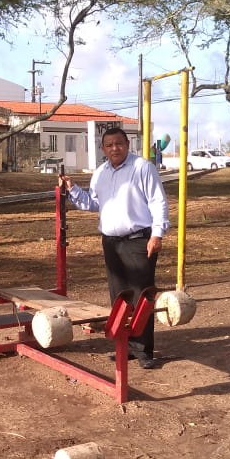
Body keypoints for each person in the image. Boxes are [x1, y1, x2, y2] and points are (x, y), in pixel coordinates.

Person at [59, 127, 168, 369]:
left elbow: (158, 201)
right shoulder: (100, 173)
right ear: (103, 149)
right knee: (120, 297)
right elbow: (93, 203)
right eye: (109, 145)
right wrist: (72, 188)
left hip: (139, 240)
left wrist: (157, 234)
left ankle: (143, 351)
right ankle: (125, 346)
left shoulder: (142, 167)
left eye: (118, 143)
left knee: (141, 296)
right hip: (111, 243)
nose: (114, 148)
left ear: (127, 144)